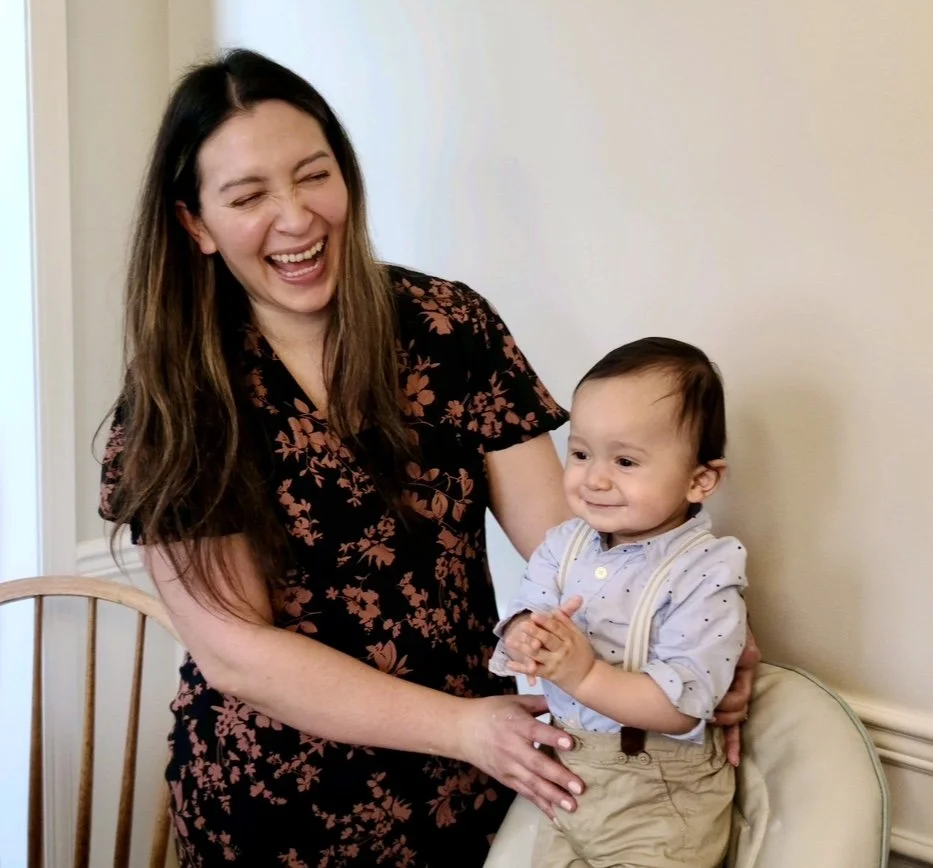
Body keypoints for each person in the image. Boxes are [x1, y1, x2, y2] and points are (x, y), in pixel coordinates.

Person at [97, 49, 757, 867]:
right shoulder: (178, 402)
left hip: (466, 794)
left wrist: (691, 625)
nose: (297, 217)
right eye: (248, 196)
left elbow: (566, 530)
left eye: (314, 175)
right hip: (279, 808)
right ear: (194, 223)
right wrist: (462, 729)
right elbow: (238, 650)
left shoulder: (448, 326)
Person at [492, 338, 747, 868]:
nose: (595, 478)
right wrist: (524, 634)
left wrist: (583, 676)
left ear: (701, 479)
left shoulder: (706, 571)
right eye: (581, 453)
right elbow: (528, 607)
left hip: (655, 792)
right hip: (568, 767)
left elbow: (681, 708)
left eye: (626, 460)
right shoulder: (565, 544)